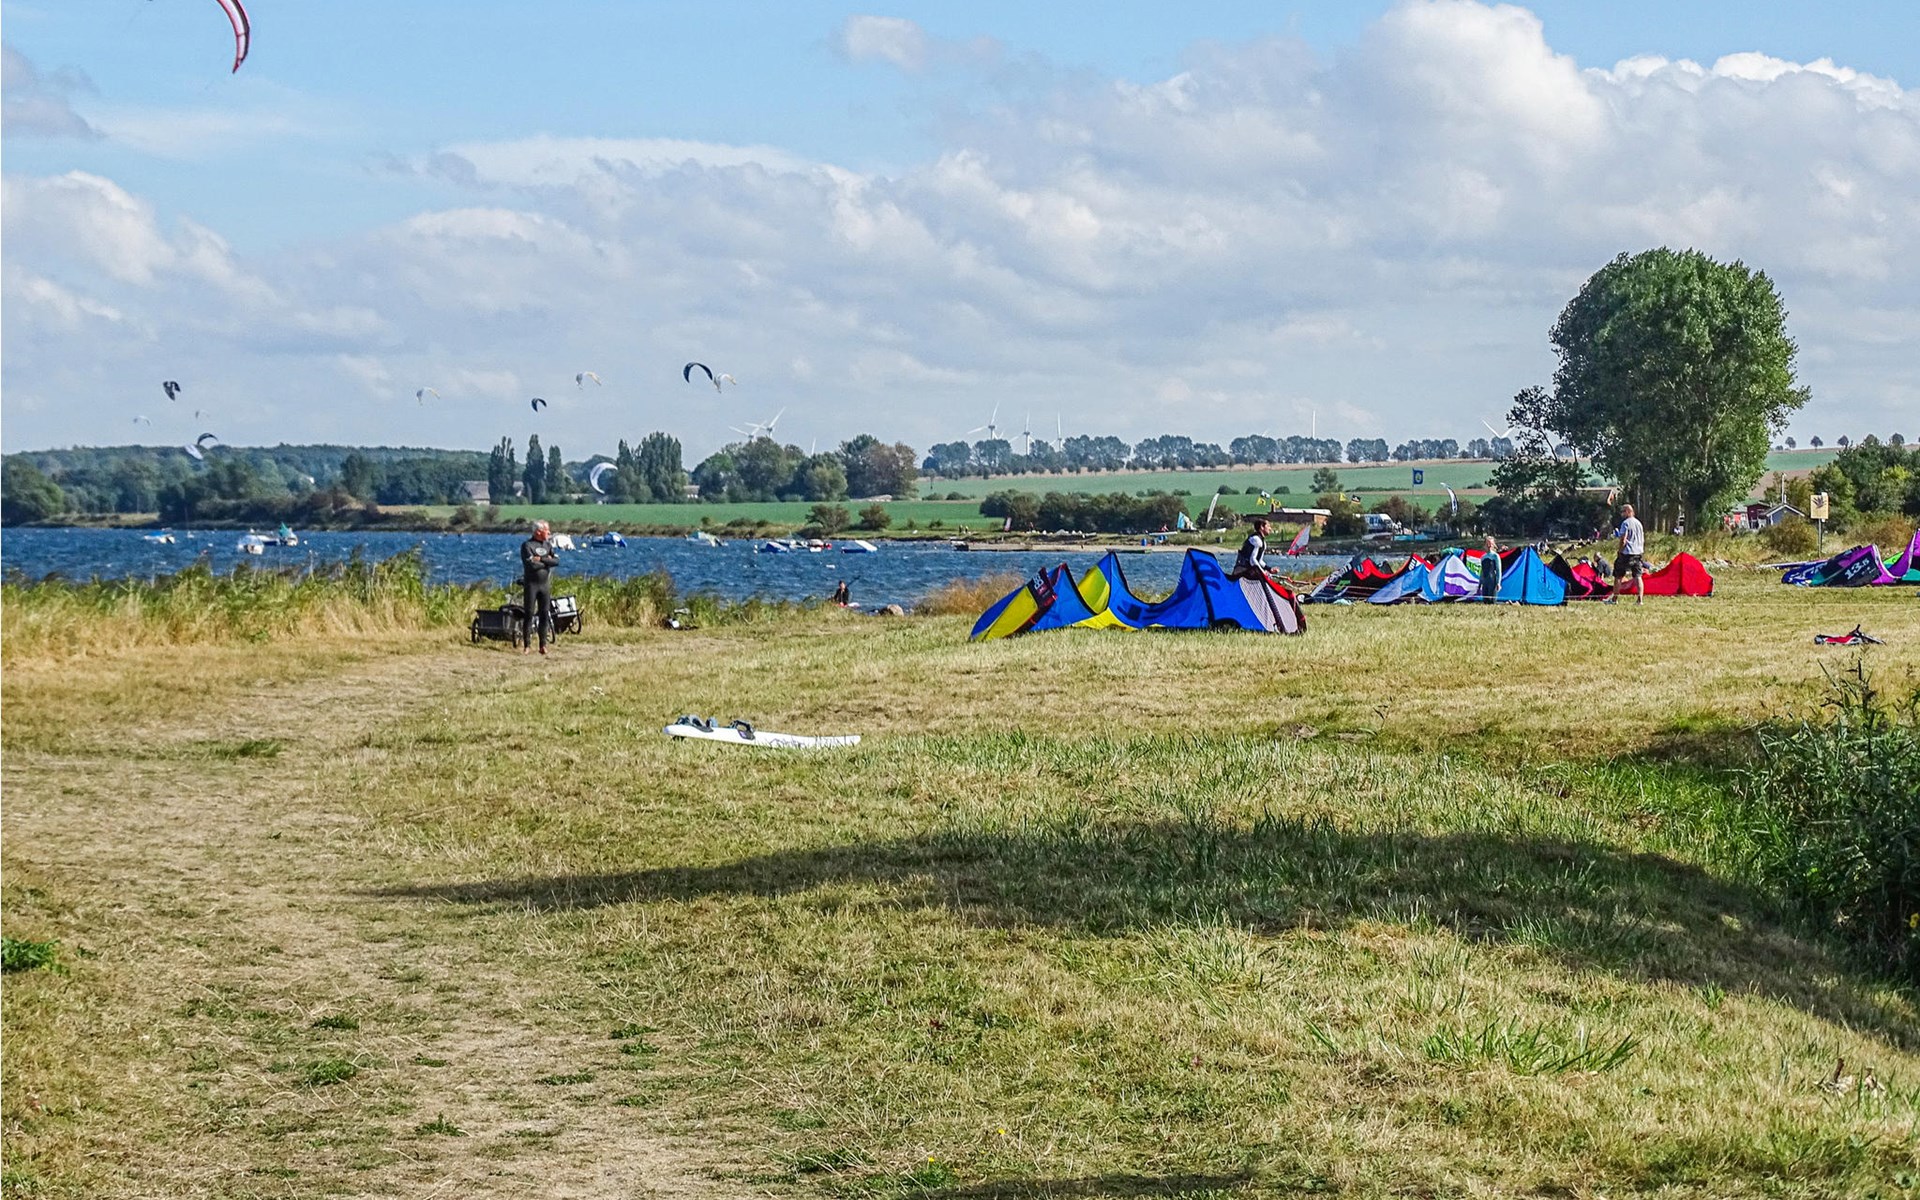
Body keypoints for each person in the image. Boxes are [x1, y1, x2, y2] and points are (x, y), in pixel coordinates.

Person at [519, 520, 561, 653]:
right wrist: (547, 561)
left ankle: (543, 645)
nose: (549, 532)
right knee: (529, 614)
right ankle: (527, 645)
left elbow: (556, 561)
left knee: (544, 613)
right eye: (546, 530)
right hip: (531, 585)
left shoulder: (548, 545)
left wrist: (541, 559)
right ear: (538, 532)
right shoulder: (527, 545)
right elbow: (531, 565)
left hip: (544, 585)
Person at [1607, 503, 1645, 605]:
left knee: (1618, 575)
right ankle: (1640, 600)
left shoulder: (1625, 523)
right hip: (1638, 553)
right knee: (1638, 576)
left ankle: (1614, 599)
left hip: (1627, 553)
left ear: (1628, 512)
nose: (1622, 514)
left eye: (1623, 512)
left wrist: (1620, 551)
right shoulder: (1639, 523)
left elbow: (1623, 539)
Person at [1478, 536, 1502, 602]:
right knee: (1485, 601)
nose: (1489, 546)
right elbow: (1482, 571)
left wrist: (1498, 583)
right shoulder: (1483, 557)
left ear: (1493, 545)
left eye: (1490, 544)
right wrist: (1480, 583)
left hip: (1492, 581)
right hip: (1485, 582)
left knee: (1492, 600)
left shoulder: (1495, 556)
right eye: (1487, 544)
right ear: (1485, 545)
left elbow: (1498, 570)